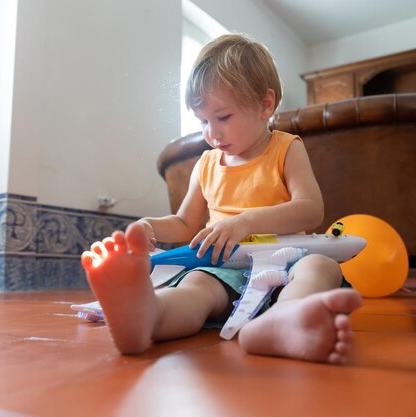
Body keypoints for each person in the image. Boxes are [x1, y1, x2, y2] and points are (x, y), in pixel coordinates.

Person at [81, 33, 362, 363]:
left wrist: (245, 222)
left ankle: (283, 322)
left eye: (223, 117)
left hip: (288, 259)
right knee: (196, 288)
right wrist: (150, 227)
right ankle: (147, 315)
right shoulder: (206, 164)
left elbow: (311, 209)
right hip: (224, 267)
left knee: (320, 267)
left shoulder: (286, 148)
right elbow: (185, 223)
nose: (212, 133)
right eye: (203, 121)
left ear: (265, 104)